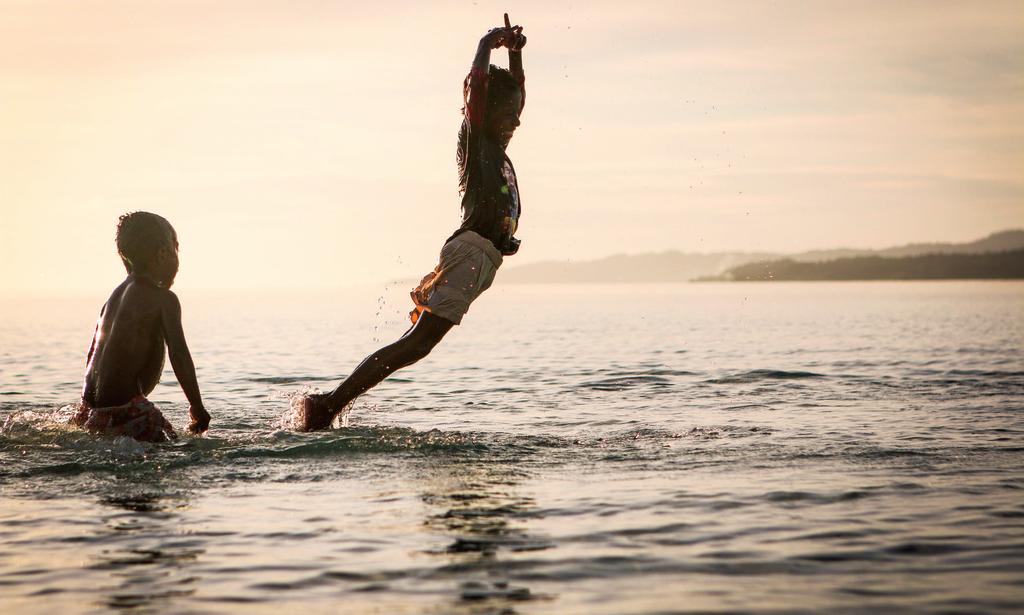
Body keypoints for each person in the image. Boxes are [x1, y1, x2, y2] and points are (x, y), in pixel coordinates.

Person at [298, 15, 528, 431]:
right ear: (485, 112)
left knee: (415, 345)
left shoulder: (496, 142)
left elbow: (517, 95)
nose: (517, 120)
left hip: (483, 259)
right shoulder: (479, 141)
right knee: (416, 344)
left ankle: (329, 404)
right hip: (471, 251)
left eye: (516, 113)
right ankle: (328, 405)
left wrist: (515, 56)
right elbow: (477, 90)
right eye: (508, 113)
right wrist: (485, 44)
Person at [72, 211, 210, 442]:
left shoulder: (113, 299)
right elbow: (179, 354)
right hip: (129, 411)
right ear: (163, 253)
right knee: (175, 447)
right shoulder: (163, 299)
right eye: (176, 250)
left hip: (90, 412)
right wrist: (196, 407)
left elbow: (92, 355)